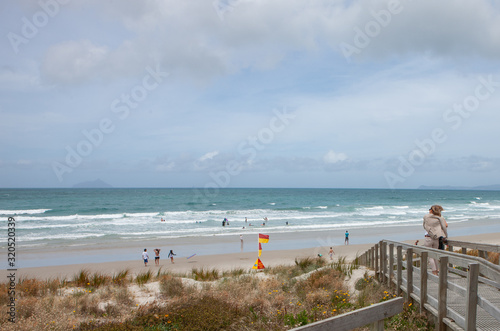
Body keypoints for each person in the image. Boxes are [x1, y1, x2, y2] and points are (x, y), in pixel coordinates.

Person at [423, 205, 448, 275]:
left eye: (430, 209)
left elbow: (424, 226)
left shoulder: (426, 216)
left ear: (432, 210)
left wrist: (429, 230)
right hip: (436, 238)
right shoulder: (440, 218)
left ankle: (434, 272)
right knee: (435, 255)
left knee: (430, 256)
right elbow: (444, 226)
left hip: (428, 237)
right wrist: (446, 236)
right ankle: (437, 270)